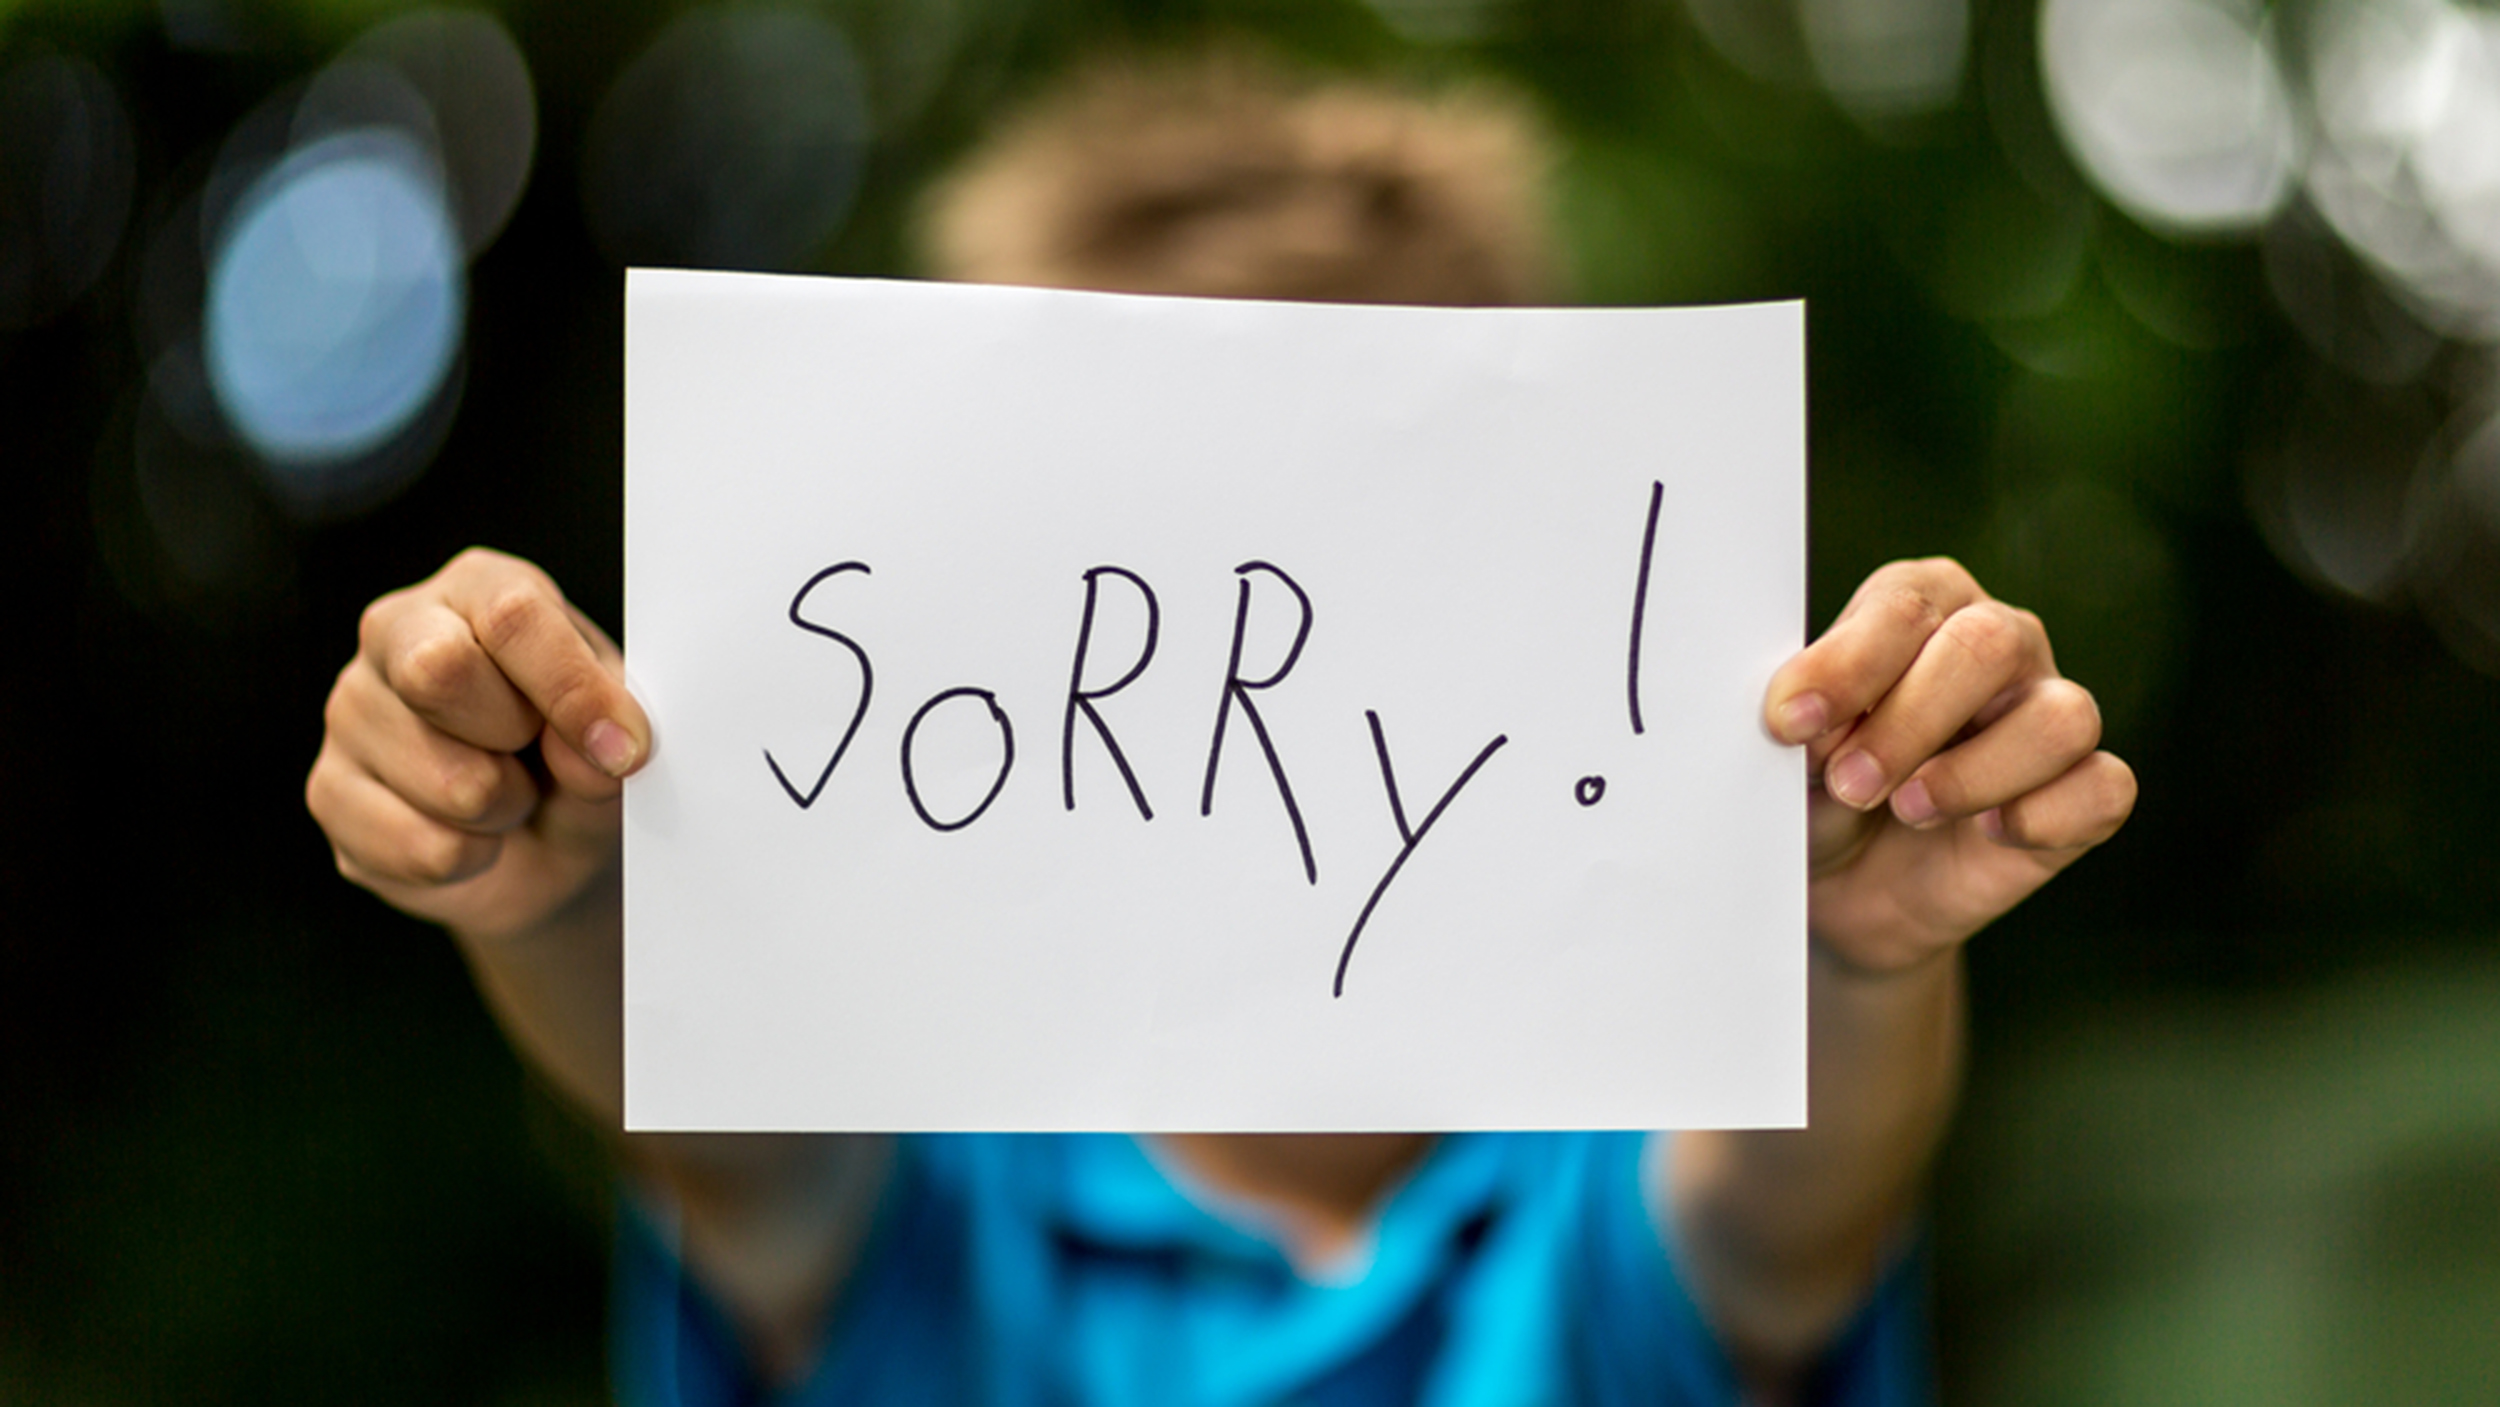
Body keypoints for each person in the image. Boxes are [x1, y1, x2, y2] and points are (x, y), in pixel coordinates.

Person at [306, 52, 2134, 1407]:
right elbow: (720, 1129)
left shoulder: (1596, 1177)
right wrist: (545, 888)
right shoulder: (939, 1184)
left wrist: (1844, 956)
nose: (1230, 659)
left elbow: (1779, 1218)